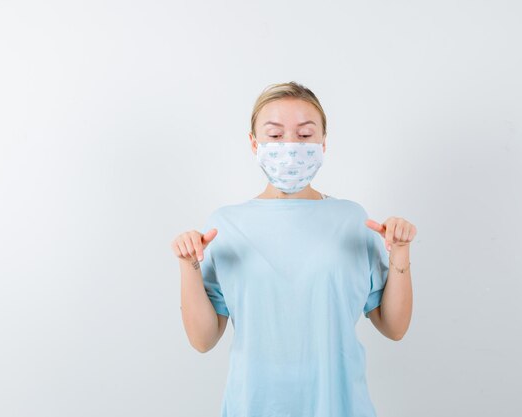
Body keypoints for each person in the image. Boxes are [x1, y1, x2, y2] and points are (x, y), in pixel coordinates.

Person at [172, 81, 416, 417]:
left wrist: (400, 253)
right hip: (254, 406)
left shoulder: (352, 220)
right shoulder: (225, 226)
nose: (290, 147)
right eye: (275, 135)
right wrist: (189, 265)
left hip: (340, 407)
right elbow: (203, 340)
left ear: (323, 143)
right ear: (254, 142)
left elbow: (394, 327)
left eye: (304, 135)